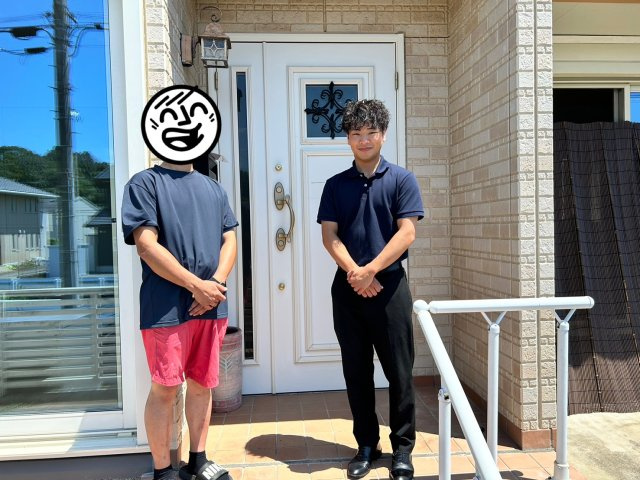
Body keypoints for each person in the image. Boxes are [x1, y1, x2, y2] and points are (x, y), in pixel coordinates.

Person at [317, 99, 424, 480]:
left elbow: (407, 232)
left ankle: (402, 449)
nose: (364, 140)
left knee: (400, 371)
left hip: (390, 287)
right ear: (348, 139)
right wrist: (356, 273)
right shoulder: (335, 186)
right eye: (356, 133)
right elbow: (329, 235)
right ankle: (366, 445)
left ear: (384, 135)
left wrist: (372, 270)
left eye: (371, 132)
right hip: (348, 289)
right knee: (356, 370)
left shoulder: (402, 180)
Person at [122, 158, 238, 480]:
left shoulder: (214, 189)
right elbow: (146, 245)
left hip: (211, 304)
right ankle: (163, 471)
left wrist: (215, 283)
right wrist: (196, 286)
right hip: (165, 307)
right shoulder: (144, 183)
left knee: (202, 384)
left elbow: (229, 239)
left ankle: (198, 460)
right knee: (165, 387)